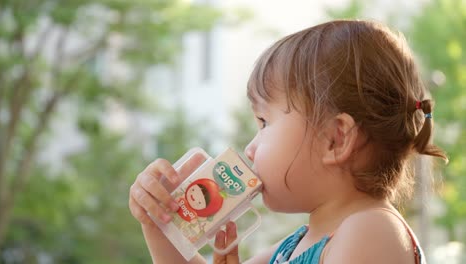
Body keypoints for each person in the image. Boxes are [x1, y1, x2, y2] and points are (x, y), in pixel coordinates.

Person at [128, 19, 448, 264]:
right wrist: (161, 223)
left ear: (335, 140)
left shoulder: (371, 231)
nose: (251, 148)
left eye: (265, 122)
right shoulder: (295, 245)